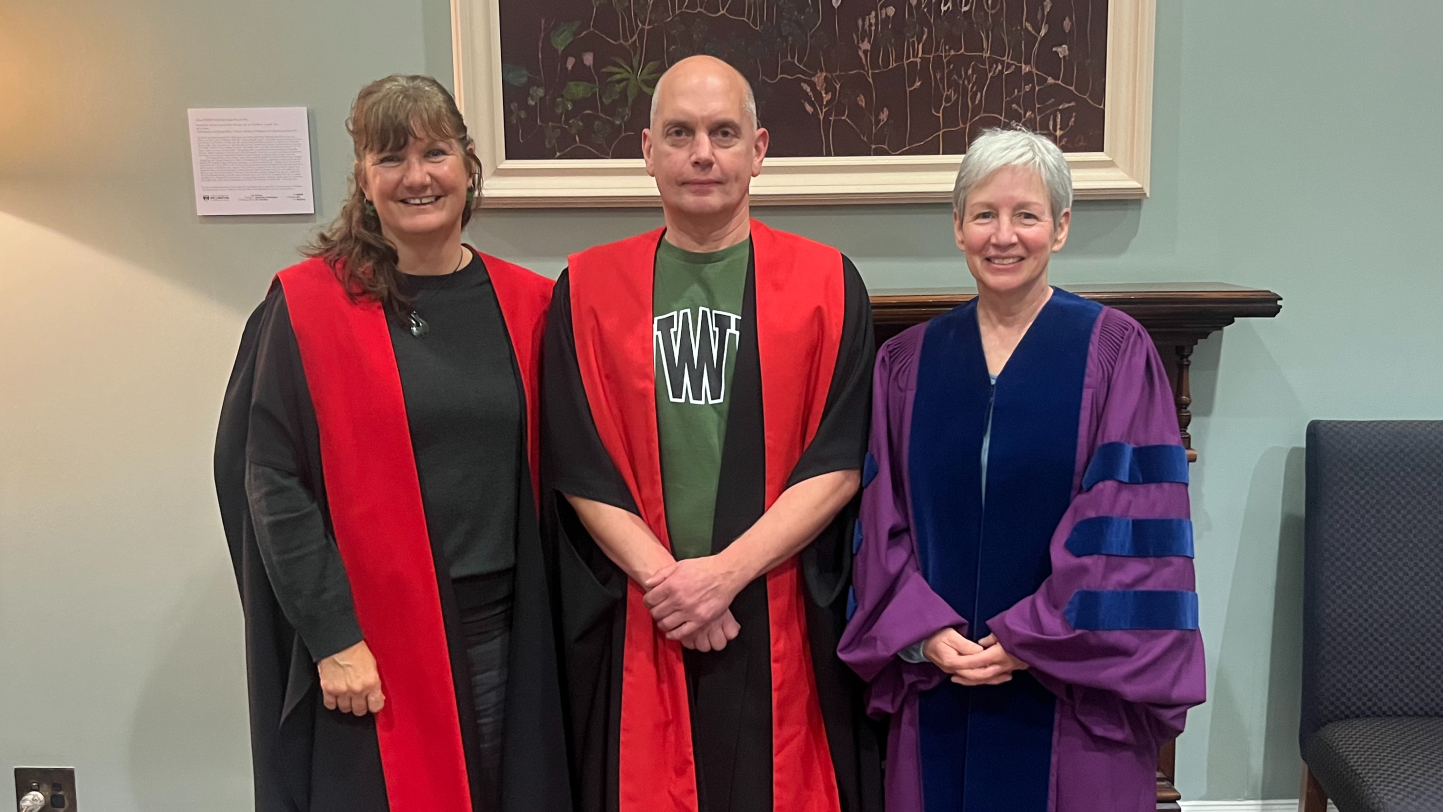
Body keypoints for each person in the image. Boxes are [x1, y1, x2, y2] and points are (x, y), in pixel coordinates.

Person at [214, 74, 570, 812]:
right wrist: (333, 638)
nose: (416, 177)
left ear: (469, 166)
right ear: (362, 179)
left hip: (511, 635)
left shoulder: (530, 305)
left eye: (434, 152)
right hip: (374, 647)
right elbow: (270, 483)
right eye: (390, 158)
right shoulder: (310, 307)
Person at [541, 55, 882, 812]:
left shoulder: (828, 284)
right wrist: (673, 586)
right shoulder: (587, 290)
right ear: (647, 150)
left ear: (757, 150)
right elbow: (578, 463)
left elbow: (839, 457)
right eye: (680, 133)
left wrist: (722, 576)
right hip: (643, 610)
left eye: (723, 133)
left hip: (776, 603)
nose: (702, 153)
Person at [837, 127, 1207, 812]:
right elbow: (878, 520)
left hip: (1070, 692)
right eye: (983, 214)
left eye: (1025, 215)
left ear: (1060, 227)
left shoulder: (1114, 353)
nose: (1002, 235)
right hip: (940, 675)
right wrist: (922, 631)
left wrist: (1027, 636)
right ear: (957, 227)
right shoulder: (906, 365)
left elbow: (1126, 533)